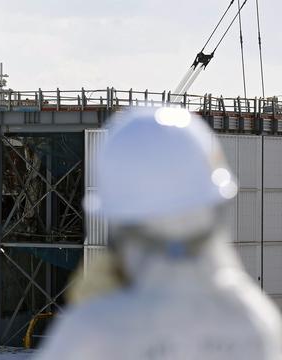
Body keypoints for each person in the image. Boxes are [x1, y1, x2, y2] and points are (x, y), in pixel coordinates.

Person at [35, 107, 282, 359]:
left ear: (117, 221)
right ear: (216, 209)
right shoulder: (254, 322)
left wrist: (90, 312)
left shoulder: (91, 332)